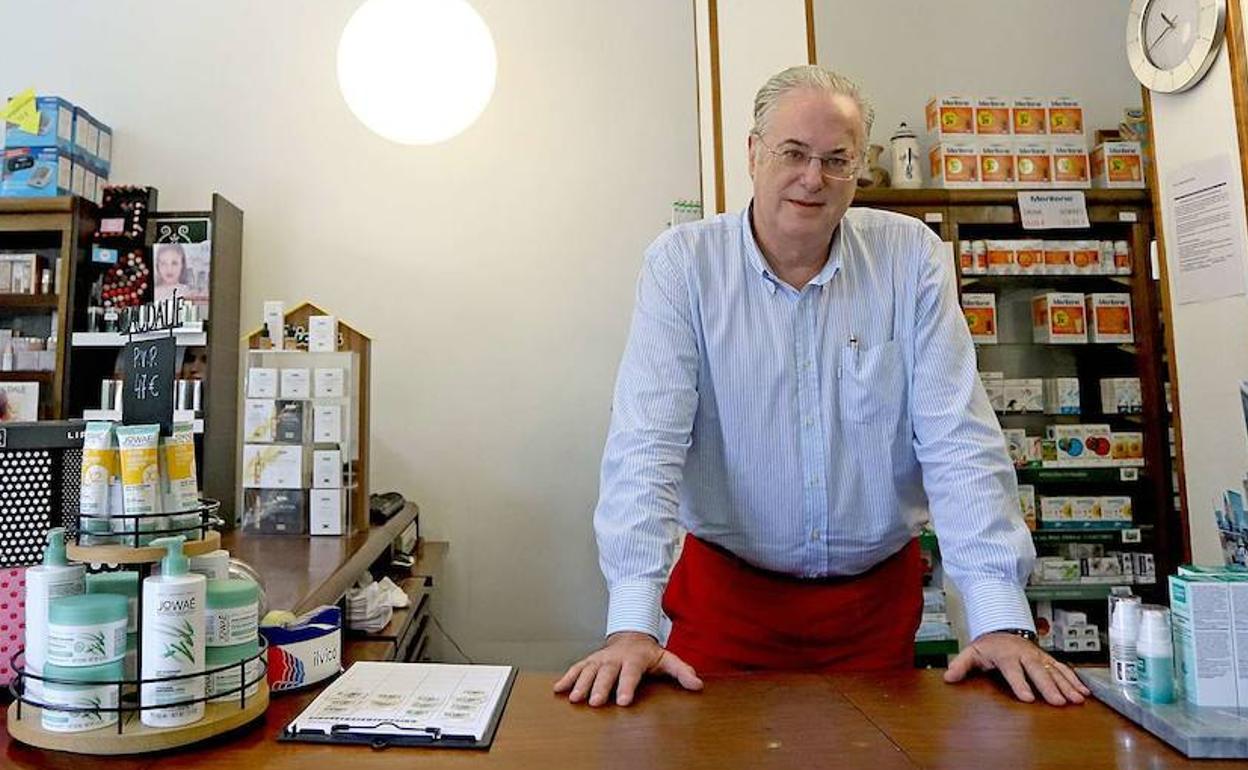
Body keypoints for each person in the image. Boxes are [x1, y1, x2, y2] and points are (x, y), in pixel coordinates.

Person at [555, 65, 1091, 709]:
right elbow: (646, 446)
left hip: (873, 610)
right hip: (727, 602)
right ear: (753, 153)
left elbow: (959, 441)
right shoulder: (684, 267)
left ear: (858, 167)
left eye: (837, 160)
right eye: (793, 153)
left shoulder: (910, 259)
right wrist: (632, 625)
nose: (813, 178)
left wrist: (999, 618)